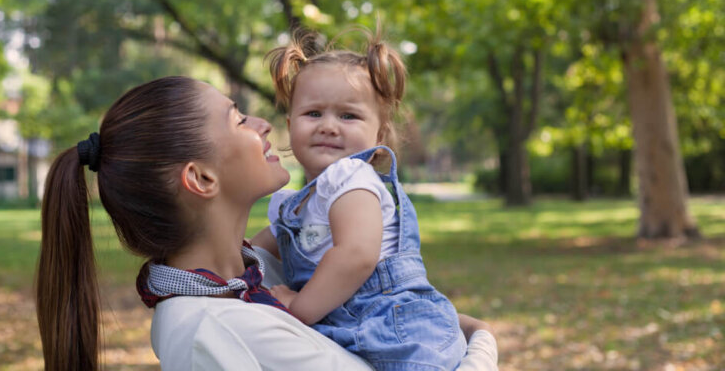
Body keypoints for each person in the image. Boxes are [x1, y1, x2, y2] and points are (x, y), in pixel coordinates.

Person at [35, 75, 497, 371]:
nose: (264, 124)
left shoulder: (256, 272)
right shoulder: (216, 328)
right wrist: (481, 341)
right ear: (200, 177)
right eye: (237, 119)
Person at [250, 29, 491, 370]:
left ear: (378, 134)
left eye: (348, 116)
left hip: (399, 332)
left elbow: (357, 255)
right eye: (313, 114)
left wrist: (300, 307)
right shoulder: (294, 207)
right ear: (290, 126)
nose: (329, 126)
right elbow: (249, 251)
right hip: (353, 330)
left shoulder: (351, 180)